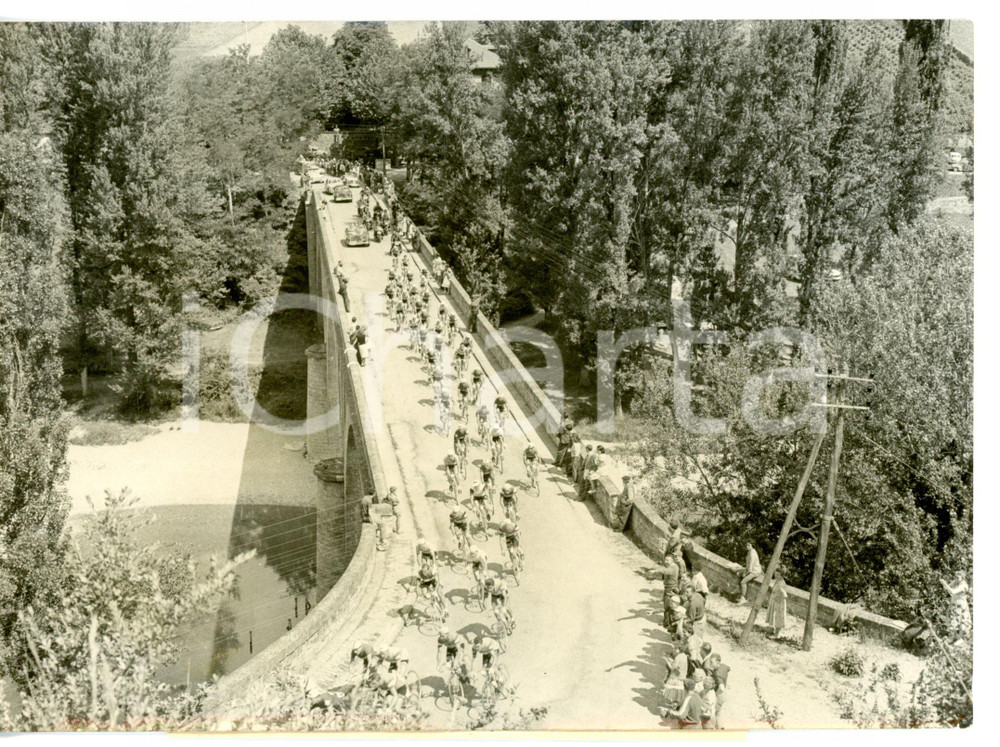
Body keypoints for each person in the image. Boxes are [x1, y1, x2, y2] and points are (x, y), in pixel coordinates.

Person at [767, 571, 788, 636]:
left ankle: (777, 634)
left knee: (779, 617)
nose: (776, 576)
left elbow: (784, 595)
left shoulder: (781, 583)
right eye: (775, 574)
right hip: (776, 601)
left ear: (781, 575)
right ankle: (775, 631)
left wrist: (777, 598)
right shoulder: (777, 581)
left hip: (779, 603)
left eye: (778, 574)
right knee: (775, 616)